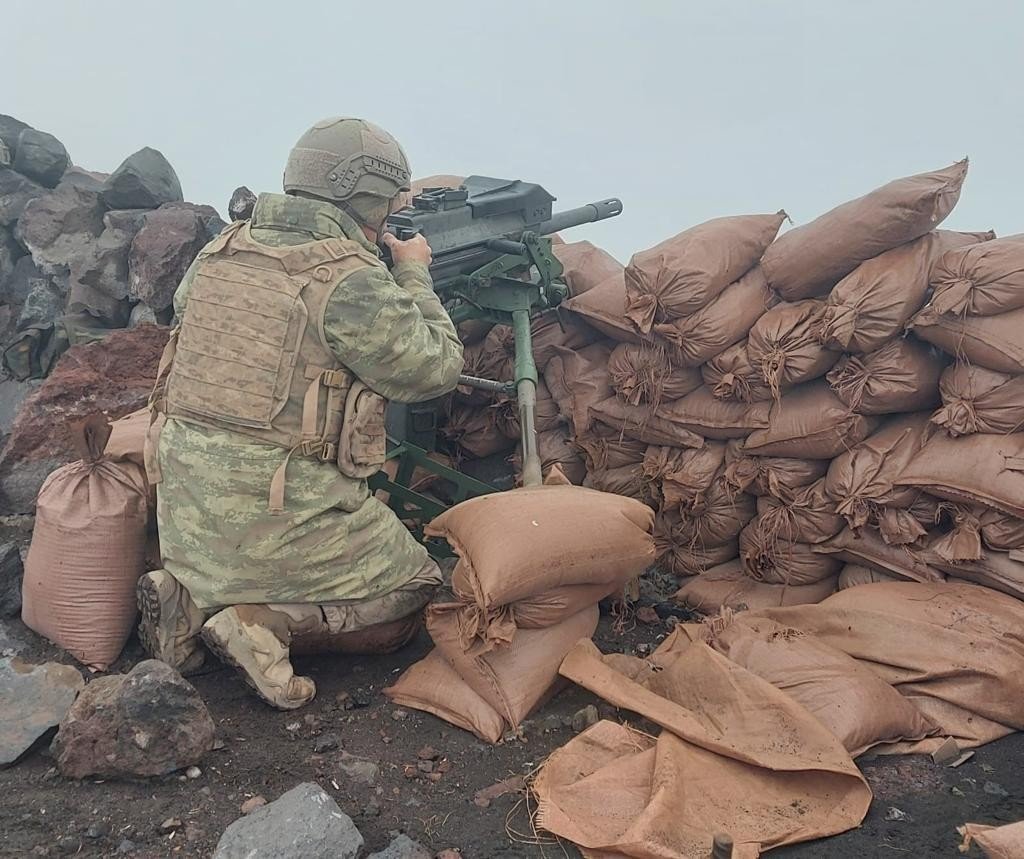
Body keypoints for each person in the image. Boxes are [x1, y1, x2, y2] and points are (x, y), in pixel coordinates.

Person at [135, 117, 463, 709]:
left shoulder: (218, 253)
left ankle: (186, 605)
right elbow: (433, 369)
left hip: (186, 516)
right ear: (370, 197)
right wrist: (412, 272)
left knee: (237, 551)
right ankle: (267, 622)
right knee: (417, 590)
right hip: (281, 516)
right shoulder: (348, 279)